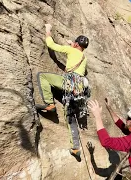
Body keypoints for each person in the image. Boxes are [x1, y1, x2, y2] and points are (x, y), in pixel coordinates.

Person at [36, 24, 89, 158]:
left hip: (69, 83)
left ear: (76, 44)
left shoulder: (71, 50)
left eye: (74, 43)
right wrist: (73, 44)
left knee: (43, 76)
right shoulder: (84, 58)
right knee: (70, 118)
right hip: (78, 90)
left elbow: (52, 45)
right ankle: (76, 148)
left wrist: (48, 30)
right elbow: (77, 53)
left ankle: (50, 104)